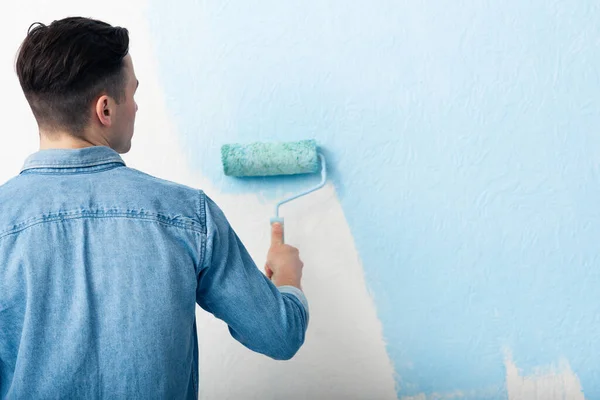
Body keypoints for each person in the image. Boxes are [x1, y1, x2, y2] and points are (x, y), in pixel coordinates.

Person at [0, 17, 308, 399]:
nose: (137, 106)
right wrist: (288, 280)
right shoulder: (188, 215)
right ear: (106, 110)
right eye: (132, 93)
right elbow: (279, 335)